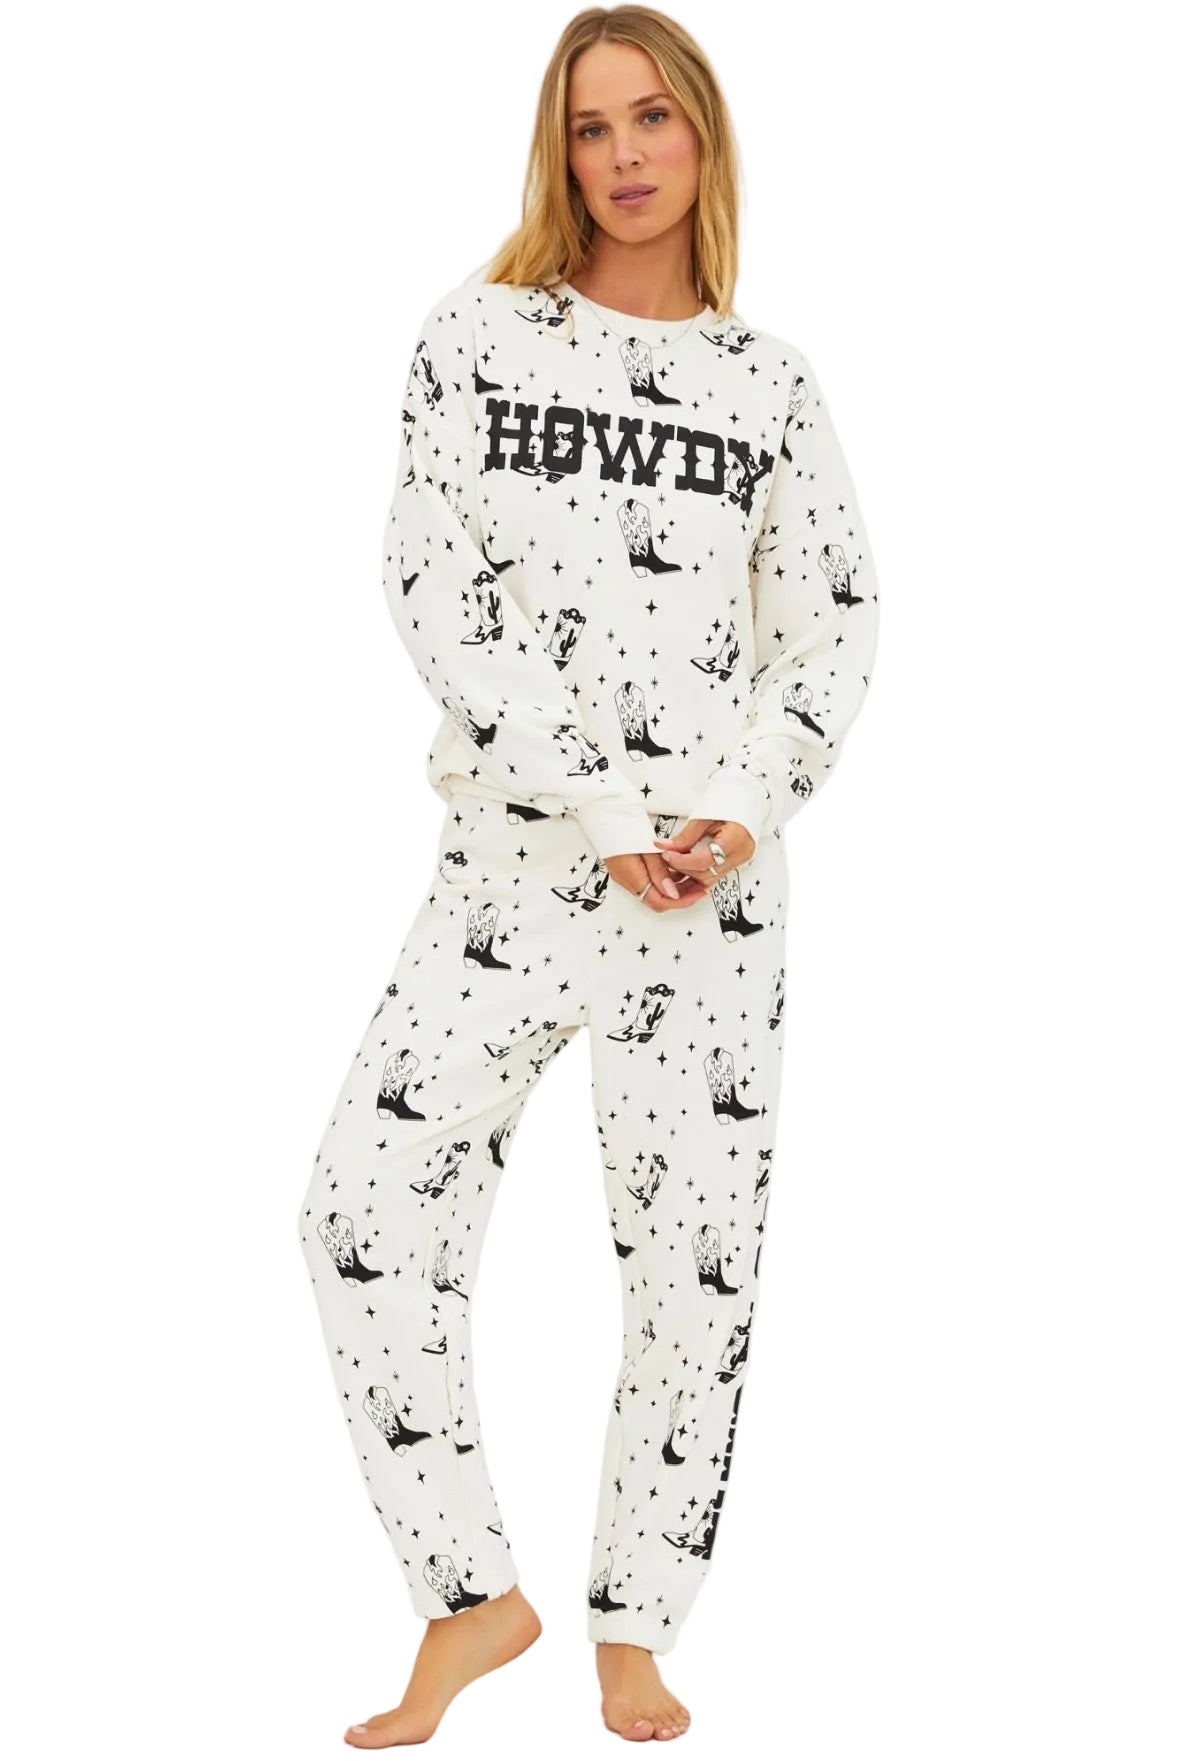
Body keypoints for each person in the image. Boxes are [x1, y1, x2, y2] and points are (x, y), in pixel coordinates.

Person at [296, 4, 880, 1746]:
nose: (624, 155)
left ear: (704, 136)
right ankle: (472, 1594)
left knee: (694, 1264)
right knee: (362, 1211)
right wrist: (601, 798)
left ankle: (638, 1626)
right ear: (557, 154)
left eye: (653, 118)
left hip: (710, 892)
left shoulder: (770, 385)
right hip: (520, 861)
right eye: (589, 126)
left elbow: (832, 626)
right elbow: (435, 584)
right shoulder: (476, 339)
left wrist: (740, 812)